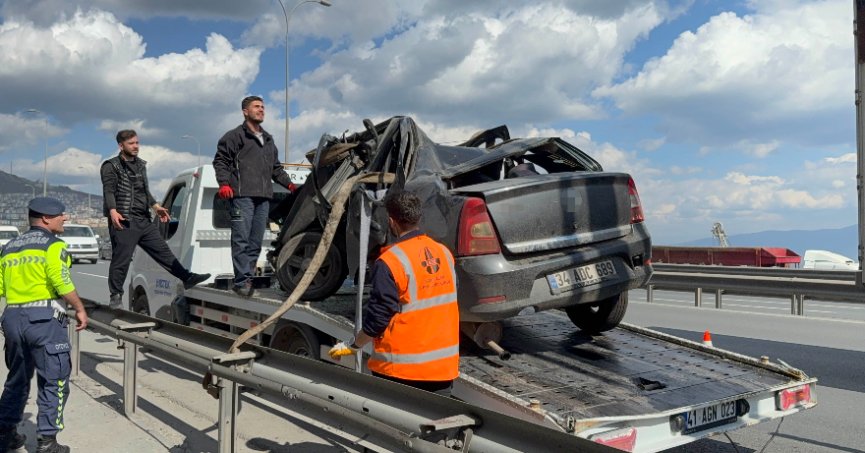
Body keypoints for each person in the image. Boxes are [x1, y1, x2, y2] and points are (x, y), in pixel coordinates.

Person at [328, 191, 460, 396]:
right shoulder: (443, 253)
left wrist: (353, 346)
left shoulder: (391, 261)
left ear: (391, 221)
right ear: (418, 218)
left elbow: (379, 317)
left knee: (394, 425)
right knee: (434, 426)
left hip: (401, 369)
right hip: (442, 368)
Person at [0, 197, 88, 453]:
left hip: (13, 317)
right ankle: (47, 442)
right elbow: (61, 281)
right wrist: (80, 309)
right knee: (55, 381)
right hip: (44, 319)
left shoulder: (10, 247)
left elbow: (2, 288)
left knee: (17, 380)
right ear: (46, 219)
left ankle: (4, 435)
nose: (66, 218)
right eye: (61, 214)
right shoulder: (53, 245)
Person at [101, 130, 210, 308]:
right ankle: (115, 296)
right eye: (131, 143)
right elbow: (109, 190)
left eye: (137, 143)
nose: (136, 146)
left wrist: (155, 206)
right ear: (121, 146)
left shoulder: (140, 165)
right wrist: (112, 210)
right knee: (121, 259)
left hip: (143, 219)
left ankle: (187, 278)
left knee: (163, 252)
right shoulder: (110, 166)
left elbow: (144, 191)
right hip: (124, 220)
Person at [213, 96, 296, 298]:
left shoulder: (268, 139)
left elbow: (275, 168)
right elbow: (221, 161)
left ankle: (247, 278)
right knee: (241, 239)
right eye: (257, 107)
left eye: (263, 107)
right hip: (242, 195)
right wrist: (224, 183)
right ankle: (241, 281)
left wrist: (290, 184)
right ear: (245, 111)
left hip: (263, 197)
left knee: (255, 241)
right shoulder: (234, 136)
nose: (261, 110)